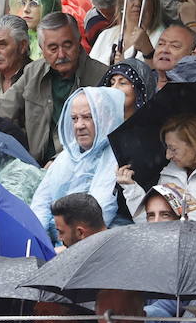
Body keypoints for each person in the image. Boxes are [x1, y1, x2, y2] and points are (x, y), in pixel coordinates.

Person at [0, 13, 110, 165]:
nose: (61, 54)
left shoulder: (102, 76)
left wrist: (59, 162)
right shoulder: (33, 71)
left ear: (78, 41)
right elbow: (2, 111)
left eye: (67, 45)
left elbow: (104, 136)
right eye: (53, 48)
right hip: (35, 165)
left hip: (81, 165)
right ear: (42, 48)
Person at [31, 86, 125, 234]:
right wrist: (38, 237)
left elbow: (98, 214)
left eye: (87, 117)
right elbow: (41, 201)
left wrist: (65, 245)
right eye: (74, 119)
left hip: (92, 243)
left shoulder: (114, 156)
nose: (79, 125)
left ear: (105, 118)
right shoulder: (67, 154)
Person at [125, 113, 196, 222]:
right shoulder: (170, 173)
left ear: (195, 146)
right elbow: (150, 224)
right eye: (167, 148)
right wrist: (131, 189)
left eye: (173, 149)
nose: (168, 156)